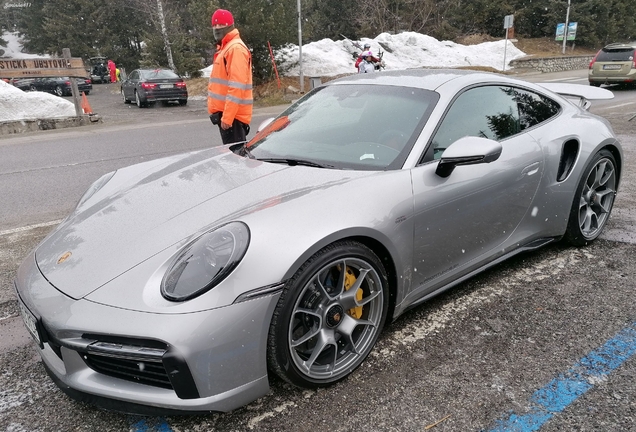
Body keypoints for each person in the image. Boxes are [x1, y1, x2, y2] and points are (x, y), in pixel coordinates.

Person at [208, 8, 253, 144]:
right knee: (234, 157)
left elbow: (237, 86)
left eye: (220, 25)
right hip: (228, 116)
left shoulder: (235, 49)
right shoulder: (226, 48)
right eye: (214, 25)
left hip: (234, 118)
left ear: (229, 26)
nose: (217, 28)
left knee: (236, 159)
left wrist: (227, 117)